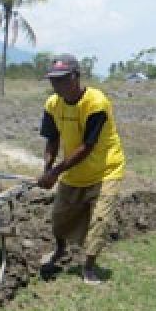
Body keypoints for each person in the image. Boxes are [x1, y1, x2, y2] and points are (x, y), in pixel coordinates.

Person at [36, 54, 125, 284]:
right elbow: (52, 140)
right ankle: (59, 250)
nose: (56, 85)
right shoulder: (52, 104)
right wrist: (47, 168)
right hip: (74, 171)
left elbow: (87, 147)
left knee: (100, 220)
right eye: (53, 80)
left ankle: (89, 266)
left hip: (105, 169)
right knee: (59, 219)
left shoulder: (96, 103)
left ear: (76, 77)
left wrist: (55, 172)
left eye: (62, 79)